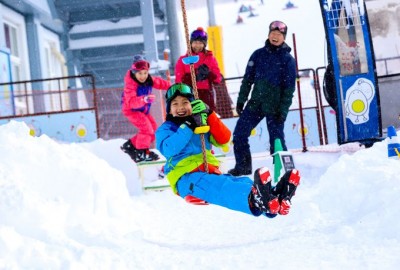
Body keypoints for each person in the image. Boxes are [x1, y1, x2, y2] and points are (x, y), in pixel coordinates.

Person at [155, 83, 301, 217]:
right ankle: (255, 199)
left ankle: (273, 197)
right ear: (169, 109)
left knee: (238, 182)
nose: (180, 107)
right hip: (185, 178)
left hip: (209, 171)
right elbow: (170, 149)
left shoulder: (200, 122)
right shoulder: (166, 129)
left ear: (192, 104)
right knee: (220, 188)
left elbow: (224, 139)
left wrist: (209, 114)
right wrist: (188, 125)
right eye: (175, 104)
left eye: (185, 102)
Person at [228, 20, 297, 176]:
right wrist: (241, 101)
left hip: (275, 107)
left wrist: (283, 111)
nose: (275, 36)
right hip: (256, 104)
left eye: (279, 34)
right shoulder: (258, 55)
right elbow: (247, 80)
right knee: (239, 134)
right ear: (268, 34)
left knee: (277, 140)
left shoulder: (288, 60)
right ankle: (243, 167)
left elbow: (289, 90)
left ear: (284, 38)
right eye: (273, 33)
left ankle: (287, 172)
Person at [120, 55, 171, 163]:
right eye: (140, 73)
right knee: (146, 129)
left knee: (153, 130)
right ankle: (141, 153)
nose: (142, 76)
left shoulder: (148, 79)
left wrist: (171, 86)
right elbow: (131, 102)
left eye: (145, 73)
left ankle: (130, 146)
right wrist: (144, 99)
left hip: (142, 110)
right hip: (131, 110)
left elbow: (159, 83)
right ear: (134, 73)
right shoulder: (130, 84)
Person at [174, 27, 222, 112]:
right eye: (195, 42)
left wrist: (209, 74)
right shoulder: (183, 60)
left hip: (206, 95)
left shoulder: (210, 58)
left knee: (207, 118)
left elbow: (218, 78)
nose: (197, 45)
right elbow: (179, 81)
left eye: (200, 43)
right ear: (191, 43)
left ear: (204, 44)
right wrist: (192, 78)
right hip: (189, 95)